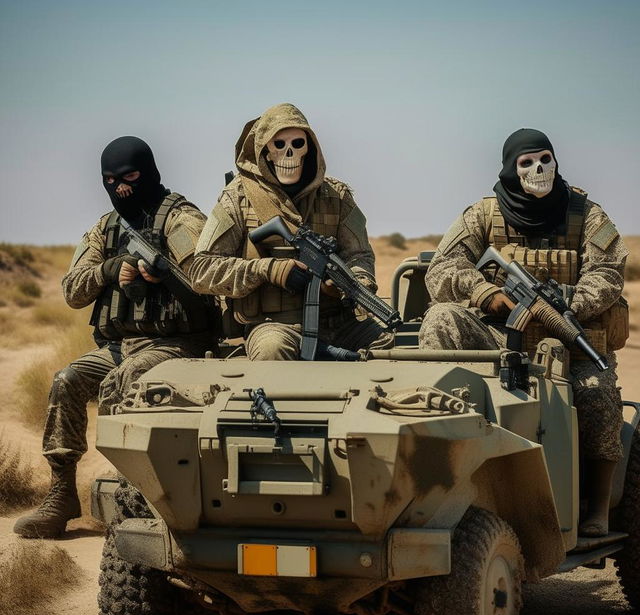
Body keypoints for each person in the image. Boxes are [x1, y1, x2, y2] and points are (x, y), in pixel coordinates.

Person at [419, 128, 628, 537]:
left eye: (545, 159)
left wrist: (568, 302)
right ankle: (440, 461)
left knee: (597, 393)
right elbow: (441, 270)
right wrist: (485, 293)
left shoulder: (588, 215)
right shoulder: (482, 214)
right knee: (441, 318)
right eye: (526, 162)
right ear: (511, 170)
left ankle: (598, 504)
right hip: (498, 340)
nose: (538, 169)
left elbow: (608, 274)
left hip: (570, 342)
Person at [14, 136, 218, 538]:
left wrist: (165, 275)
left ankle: (132, 491)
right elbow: (73, 290)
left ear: (149, 172)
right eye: (111, 180)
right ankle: (62, 494)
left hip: (177, 346)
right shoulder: (105, 228)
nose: (121, 188)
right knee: (67, 381)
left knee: (121, 384)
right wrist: (112, 269)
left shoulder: (181, 220)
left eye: (130, 177)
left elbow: (208, 278)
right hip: (117, 346)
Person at [189, 103, 390, 360]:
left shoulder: (336, 196)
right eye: (279, 145)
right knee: (272, 351)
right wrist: (267, 270)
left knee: (391, 344)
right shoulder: (237, 198)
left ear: (310, 148)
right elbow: (202, 271)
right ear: (265, 152)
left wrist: (351, 284)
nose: (289, 154)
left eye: (297, 144)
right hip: (275, 325)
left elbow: (360, 255)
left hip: (339, 324)